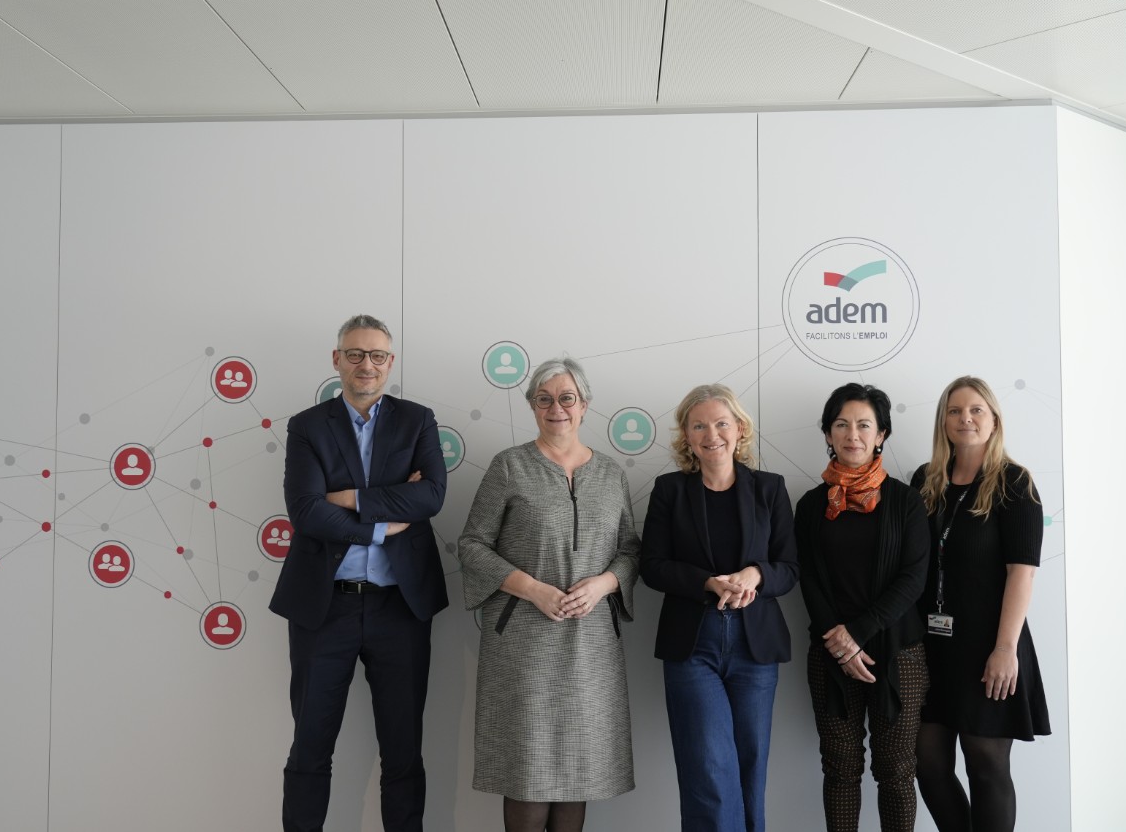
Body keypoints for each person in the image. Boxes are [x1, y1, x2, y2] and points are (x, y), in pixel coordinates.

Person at [270, 313, 448, 832]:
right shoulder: (307, 426)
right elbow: (306, 510)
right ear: (337, 360)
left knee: (403, 750)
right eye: (354, 354)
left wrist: (350, 498)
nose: (365, 364)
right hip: (324, 607)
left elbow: (431, 496)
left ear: (389, 362)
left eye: (376, 355)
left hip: (400, 607)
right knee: (310, 746)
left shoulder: (417, 420)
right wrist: (382, 526)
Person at [458, 357, 639, 832]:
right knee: (529, 769)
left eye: (566, 398)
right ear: (532, 406)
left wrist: (604, 584)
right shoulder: (509, 467)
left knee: (578, 770)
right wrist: (533, 589)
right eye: (544, 399)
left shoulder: (611, 474)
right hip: (524, 644)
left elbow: (630, 550)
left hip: (591, 646)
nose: (556, 408)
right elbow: (472, 545)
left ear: (585, 405)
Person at [640, 384, 798, 832]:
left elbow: (789, 568)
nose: (712, 435)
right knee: (707, 769)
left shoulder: (770, 488)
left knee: (750, 768)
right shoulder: (669, 490)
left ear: (740, 428)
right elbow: (652, 566)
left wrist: (756, 574)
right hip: (693, 647)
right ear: (687, 436)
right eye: (699, 426)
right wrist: (705, 583)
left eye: (721, 423)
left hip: (754, 647)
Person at [911, 376, 1050, 832]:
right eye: (954, 411)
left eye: (976, 410)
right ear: (943, 421)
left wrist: (1005, 648)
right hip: (933, 647)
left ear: (994, 420)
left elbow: (1022, 572)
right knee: (928, 764)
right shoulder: (925, 481)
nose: (965, 419)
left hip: (990, 645)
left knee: (986, 766)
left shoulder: (1014, 483)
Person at [794, 383, 930, 831]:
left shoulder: (906, 501)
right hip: (830, 655)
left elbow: (913, 578)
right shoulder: (811, 505)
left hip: (899, 654)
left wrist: (857, 633)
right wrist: (841, 643)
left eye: (864, 425)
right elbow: (808, 578)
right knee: (840, 770)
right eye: (841, 424)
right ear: (828, 434)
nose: (852, 434)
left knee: (896, 772)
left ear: (881, 435)